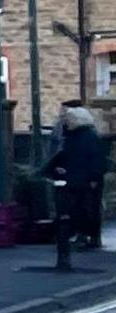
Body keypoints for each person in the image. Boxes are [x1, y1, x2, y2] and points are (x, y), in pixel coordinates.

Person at [56, 105, 106, 271]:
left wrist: (94, 177)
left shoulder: (88, 136)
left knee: (88, 208)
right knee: (78, 209)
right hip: (75, 178)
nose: (67, 122)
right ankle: (83, 235)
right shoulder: (73, 136)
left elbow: (96, 159)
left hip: (86, 180)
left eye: (69, 119)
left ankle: (89, 237)